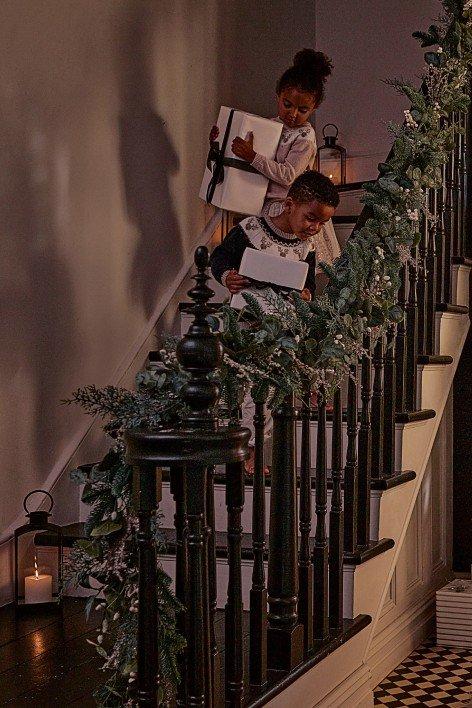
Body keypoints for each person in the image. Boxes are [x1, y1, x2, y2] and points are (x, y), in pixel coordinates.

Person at [210, 170, 339, 473]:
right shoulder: (251, 229)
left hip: (278, 326)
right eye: (310, 218)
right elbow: (220, 257)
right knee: (239, 381)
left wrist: (306, 294)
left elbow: (307, 285)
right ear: (289, 204)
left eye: (322, 223)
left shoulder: (307, 249)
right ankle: (230, 441)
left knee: (267, 387)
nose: (315, 228)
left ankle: (253, 448)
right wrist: (227, 276)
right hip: (244, 319)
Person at [229, 48, 341, 269]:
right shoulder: (270, 126)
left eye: (303, 109)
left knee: (291, 266)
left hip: (288, 209)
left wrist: (252, 157)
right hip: (263, 205)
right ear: (278, 95)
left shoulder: (304, 137)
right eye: (287, 104)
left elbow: (288, 176)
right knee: (261, 267)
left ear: (314, 108)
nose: (293, 114)